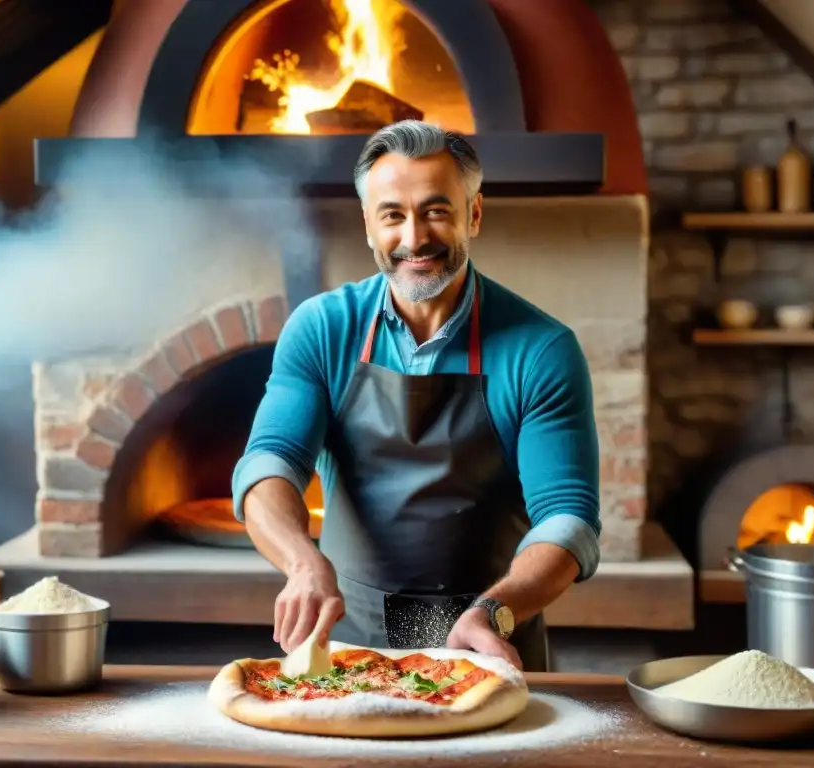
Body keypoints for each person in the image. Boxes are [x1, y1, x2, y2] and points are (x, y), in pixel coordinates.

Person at [230, 120, 601, 672]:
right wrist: (303, 563)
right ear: (367, 224)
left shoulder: (541, 349)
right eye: (392, 216)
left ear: (473, 214)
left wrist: (496, 611)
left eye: (435, 211)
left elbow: (568, 520)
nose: (413, 239)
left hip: (486, 646)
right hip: (348, 648)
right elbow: (269, 462)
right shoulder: (322, 329)